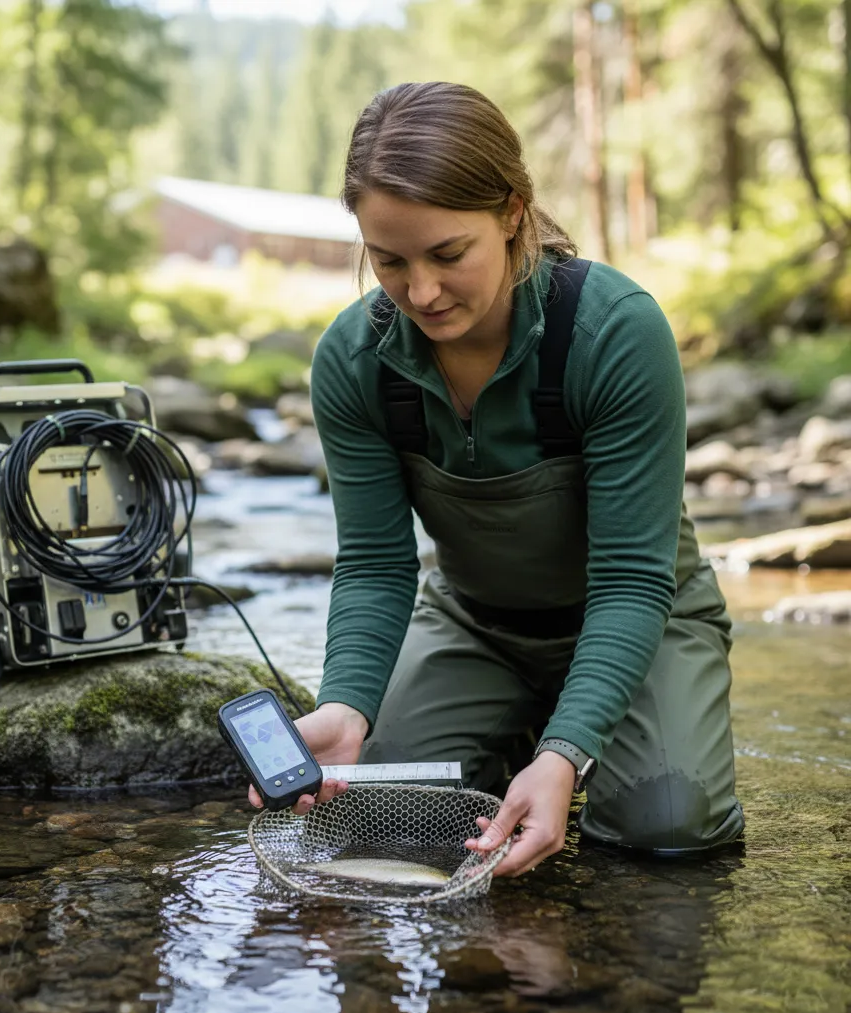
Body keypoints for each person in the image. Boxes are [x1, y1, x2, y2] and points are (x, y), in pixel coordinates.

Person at [248, 81, 745, 876]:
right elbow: (376, 564)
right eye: (388, 261)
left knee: (667, 827)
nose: (421, 293)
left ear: (513, 211)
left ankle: (562, 739)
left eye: (449, 254)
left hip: (641, 618)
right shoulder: (354, 361)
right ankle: (521, 732)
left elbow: (629, 580)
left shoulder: (615, 331)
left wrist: (567, 752)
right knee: (383, 817)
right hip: (478, 625)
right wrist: (346, 704)